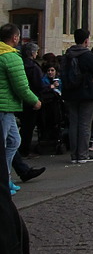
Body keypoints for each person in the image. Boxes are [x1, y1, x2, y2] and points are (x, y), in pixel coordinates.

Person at [0, 24, 42, 195]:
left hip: (7, 108)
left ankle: (7, 178)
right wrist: (34, 101)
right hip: (4, 107)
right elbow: (21, 86)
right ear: (15, 38)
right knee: (4, 146)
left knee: (14, 141)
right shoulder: (11, 57)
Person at [61, 29, 93, 163]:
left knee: (74, 123)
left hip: (70, 93)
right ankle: (83, 154)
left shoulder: (68, 55)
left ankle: (74, 154)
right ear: (86, 40)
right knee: (85, 124)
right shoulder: (88, 56)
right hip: (86, 93)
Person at [18, 43, 44, 159]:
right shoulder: (34, 67)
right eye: (36, 52)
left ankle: (22, 149)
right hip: (32, 98)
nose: (37, 54)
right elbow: (39, 84)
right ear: (32, 53)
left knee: (23, 126)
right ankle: (25, 150)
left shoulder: (20, 64)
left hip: (21, 99)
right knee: (28, 127)